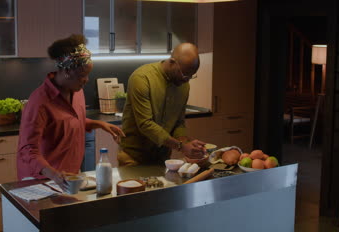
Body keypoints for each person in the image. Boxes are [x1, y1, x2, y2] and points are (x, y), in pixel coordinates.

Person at [17, 34, 125, 191]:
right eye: (82, 75)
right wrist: (54, 174)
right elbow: (28, 150)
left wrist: (99, 124)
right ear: (67, 71)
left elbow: (69, 121)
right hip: (41, 180)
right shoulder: (40, 102)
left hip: (68, 176)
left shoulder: (77, 91)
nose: (86, 80)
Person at [118, 43, 206, 166]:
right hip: (133, 157)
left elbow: (178, 122)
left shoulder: (184, 86)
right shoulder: (142, 78)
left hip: (162, 157)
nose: (187, 80)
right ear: (172, 62)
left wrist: (185, 142)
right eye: (184, 74)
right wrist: (180, 146)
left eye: (191, 76)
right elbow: (145, 124)